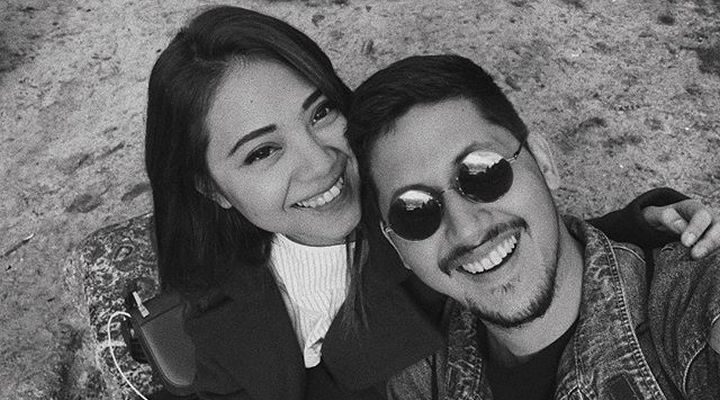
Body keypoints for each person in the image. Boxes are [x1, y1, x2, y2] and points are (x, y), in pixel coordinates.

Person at [144, 6, 720, 400]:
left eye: (320, 112)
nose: (321, 164)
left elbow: (526, 240)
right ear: (211, 188)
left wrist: (650, 226)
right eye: (263, 151)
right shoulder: (217, 278)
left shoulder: (410, 225)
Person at [346, 54, 720, 399]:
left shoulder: (689, 309)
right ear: (396, 246)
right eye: (414, 211)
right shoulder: (419, 379)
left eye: (482, 173)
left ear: (543, 162)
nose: (466, 230)